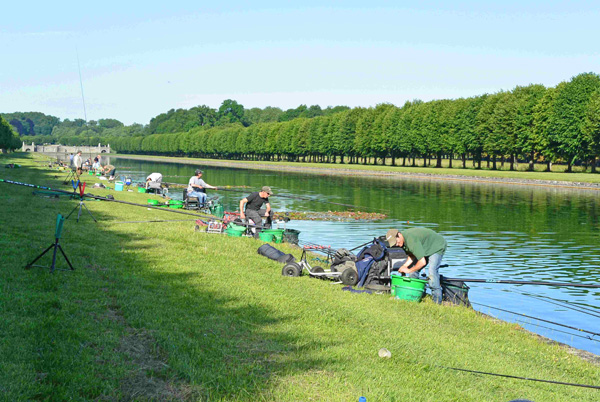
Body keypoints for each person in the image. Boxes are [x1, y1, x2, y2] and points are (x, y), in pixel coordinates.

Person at [385, 227, 447, 304]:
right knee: (413, 272)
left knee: (432, 272)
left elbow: (422, 262)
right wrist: (405, 266)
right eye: (395, 244)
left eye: (396, 242)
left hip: (436, 246)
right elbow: (412, 254)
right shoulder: (403, 242)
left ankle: (437, 302)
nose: (397, 245)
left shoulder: (411, 240)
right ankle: (412, 296)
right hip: (424, 248)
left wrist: (408, 270)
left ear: (399, 235)